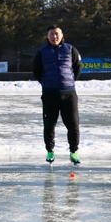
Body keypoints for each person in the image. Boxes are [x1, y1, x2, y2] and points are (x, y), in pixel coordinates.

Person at [32, 25, 82, 164]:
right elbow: (36, 70)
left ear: (62, 35)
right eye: (51, 34)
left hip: (68, 93)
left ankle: (74, 151)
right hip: (49, 93)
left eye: (57, 34)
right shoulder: (42, 51)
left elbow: (77, 67)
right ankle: (50, 151)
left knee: (73, 124)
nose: (54, 36)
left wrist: (69, 82)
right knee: (49, 124)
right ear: (47, 37)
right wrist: (46, 83)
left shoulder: (70, 49)